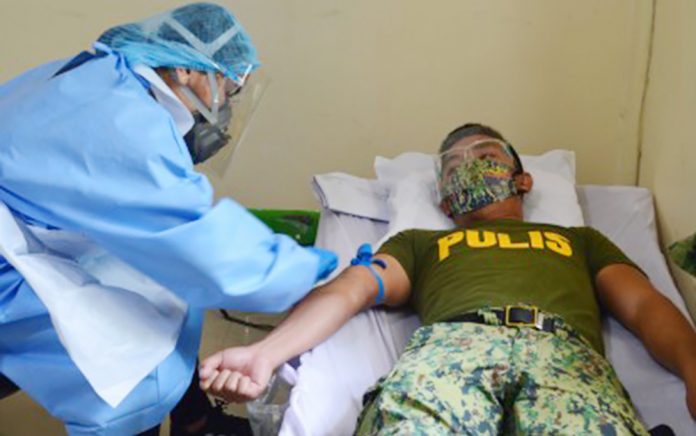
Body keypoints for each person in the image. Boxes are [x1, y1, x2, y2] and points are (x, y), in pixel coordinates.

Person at [200, 123, 696, 434]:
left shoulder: (579, 240)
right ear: (443, 201)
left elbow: (644, 307)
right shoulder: (422, 242)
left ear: (523, 180)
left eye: (485, 155)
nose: (468, 166)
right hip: (453, 348)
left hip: (563, 354)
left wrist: (694, 370)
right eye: (452, 166)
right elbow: (349, 291)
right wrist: (265, 355)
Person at [0, 3, 336, 435]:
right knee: (140, 373)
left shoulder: (103, 80)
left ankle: (194, 419)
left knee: (168, 299)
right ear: (185, 69)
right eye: (227, 88)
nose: (224, 106)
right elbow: (203, 249)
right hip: (10, 265)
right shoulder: (126, 122)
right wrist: (318, 267)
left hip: (29, 232)